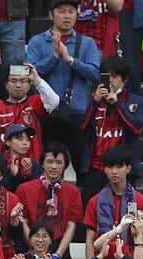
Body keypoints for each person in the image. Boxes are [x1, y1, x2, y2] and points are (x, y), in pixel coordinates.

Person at [25, 0, 101, 171]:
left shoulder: (87, 43)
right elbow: (28, 73)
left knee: (84, 168)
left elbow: (96, 74)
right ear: (51, 15)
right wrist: (54, 57)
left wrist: (70, 61)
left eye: (71, 11)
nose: (67, 16)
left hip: (79, 114)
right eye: (61, 11)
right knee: (49, 166)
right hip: (48, 115)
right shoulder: (37, 42)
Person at [79, 57, 143, 199]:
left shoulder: (137, 101)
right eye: (106, 76)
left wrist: (117, 104)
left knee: (127, 213)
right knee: (90, 213)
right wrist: (94, 103)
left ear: (125, 79)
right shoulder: (94, 99)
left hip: (124, 169)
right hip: (96, 168)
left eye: (114, 76)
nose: (110, 80)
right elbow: (81, 127)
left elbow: (136, 128)